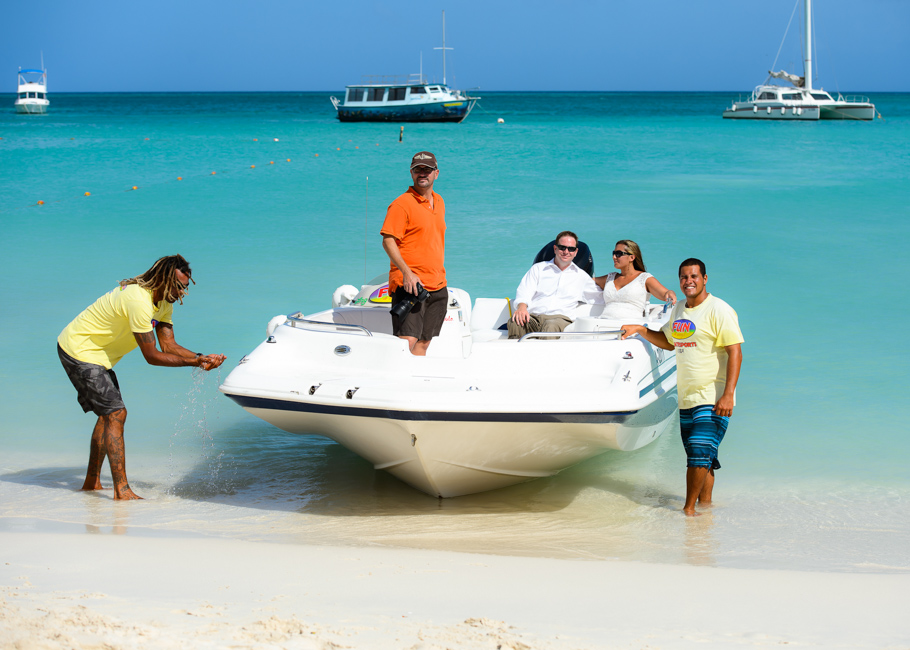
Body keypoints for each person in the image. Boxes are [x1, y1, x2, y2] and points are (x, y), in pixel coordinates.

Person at [57, 255, 226, 500]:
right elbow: (152, 355)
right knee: (116, 413)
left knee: (109, 414)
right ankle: (121, 490)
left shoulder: (164, 303)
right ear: (163, 280)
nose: (182, 293)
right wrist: (194, 362)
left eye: (185, 288)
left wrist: (201, 358)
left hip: (98, 356)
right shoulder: (138, 300)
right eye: (179, 286)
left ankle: (92, 483)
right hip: (79, 350)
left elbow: (168, 345)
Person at [620, 258, 743, 516]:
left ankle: (688, 512)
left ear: (705, 278)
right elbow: (668, 341)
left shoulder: (719, 309)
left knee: (699, 451)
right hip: (687, 398)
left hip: (712, 396)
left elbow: (735, 351)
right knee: (703, 456)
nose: (689, 281)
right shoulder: (678, 310)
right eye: (684, 277)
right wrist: (641, 329)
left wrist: (728, 394)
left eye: (694, 276)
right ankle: (705, 510)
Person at [380, 151, 447, 356]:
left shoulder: (439, 201)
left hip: (437, 283)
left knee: (424, 342)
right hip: (410, 285)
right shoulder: (402, 204)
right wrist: (407, 273)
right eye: (418, 170)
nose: (422, 174)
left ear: (436, 173)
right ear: (411, 173)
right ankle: (394, 383)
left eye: (427, 169)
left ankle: (414, 381)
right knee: (406, 341)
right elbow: (388, 240)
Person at [508, 231, 604, 339]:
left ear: (576, 252)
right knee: (515, 323)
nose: (566, 252)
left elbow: (600, 297)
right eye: (562, 248)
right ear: (555, 249)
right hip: (534, 316)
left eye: (571, 249)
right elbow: (525, 290)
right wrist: (521, 307)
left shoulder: (582, 277)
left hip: (559, 319)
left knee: (550, 326)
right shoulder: (538, 268)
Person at [594, 239, 676, 319]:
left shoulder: (644, 279)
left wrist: (671, 293)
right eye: (614, 253)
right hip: (602, 324)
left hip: (630, 327)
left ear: (632, 257)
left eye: (618, 254)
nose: (614, 257)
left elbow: (665, 293)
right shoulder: (610, 278)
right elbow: (586, 280)